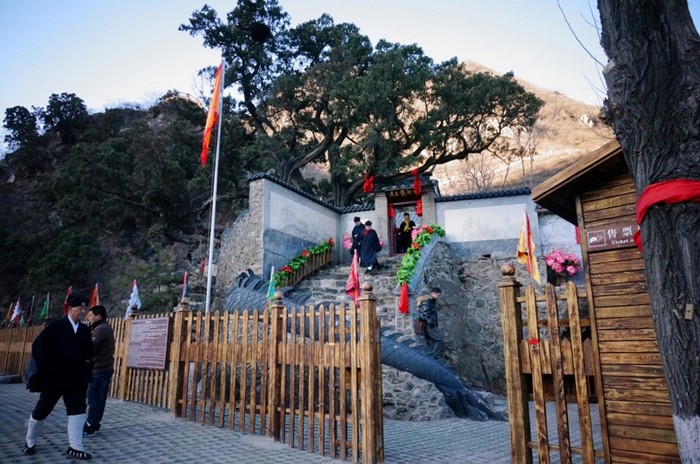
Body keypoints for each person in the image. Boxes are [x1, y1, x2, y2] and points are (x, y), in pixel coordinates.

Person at [23, 292, 94, 460]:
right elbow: (38, 348)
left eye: (86, 308)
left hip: (76, 380)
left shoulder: (84, 330)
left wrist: (86, 368)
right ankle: (30, 441)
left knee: (78, 410)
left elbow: (89, 352)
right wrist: (49, 369)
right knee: (42, 410)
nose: (84, 311)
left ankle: (75, 446)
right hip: (54, 380)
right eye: (80, 308)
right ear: (70, 309)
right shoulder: (56, 327)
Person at [83, 305, 115, 436]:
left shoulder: (101, 329)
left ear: (99, 316)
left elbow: (89, 347)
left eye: (91, 316)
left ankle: (90, 424)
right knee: (99, 399)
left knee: (94, 399)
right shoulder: (103, 327)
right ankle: (94, 424)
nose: (89, 318)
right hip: (105, 368)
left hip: (99, 369)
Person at [416, 287, 443, 357]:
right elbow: (425, 314)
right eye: (438, 295)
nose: (438, 297)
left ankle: (428, 356)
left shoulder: (429, 300)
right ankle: (432, 356)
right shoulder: (428, 301)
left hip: (427, 324)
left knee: (430, 342)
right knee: (439, 340)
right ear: (433, 293)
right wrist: (431, 323)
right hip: (429, 325)